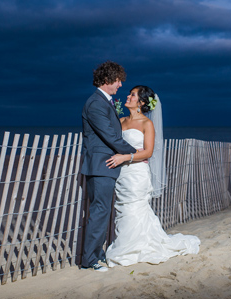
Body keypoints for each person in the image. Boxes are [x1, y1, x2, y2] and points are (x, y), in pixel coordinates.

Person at [104, 86, 200, 267]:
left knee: (133, 208)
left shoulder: (147, 124)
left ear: (141, 103)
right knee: (123, 209)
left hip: (137, 174)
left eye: (132, 95)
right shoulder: (121, 120)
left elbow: (148, 152)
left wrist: (126, 156)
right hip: (122, 174)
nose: (128, 96)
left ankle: (127, 249)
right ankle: (133, 244)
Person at [80, 61, 138, 272]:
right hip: (101, 165)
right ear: (107, 80)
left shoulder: (105, 102)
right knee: (100, 211)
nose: (121, 85)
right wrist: (136, 153)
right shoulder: (96, 103)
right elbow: (111, 137)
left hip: (107, 166)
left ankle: (97, 253)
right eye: (118, 80)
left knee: (102, 211)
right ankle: (90, 261)